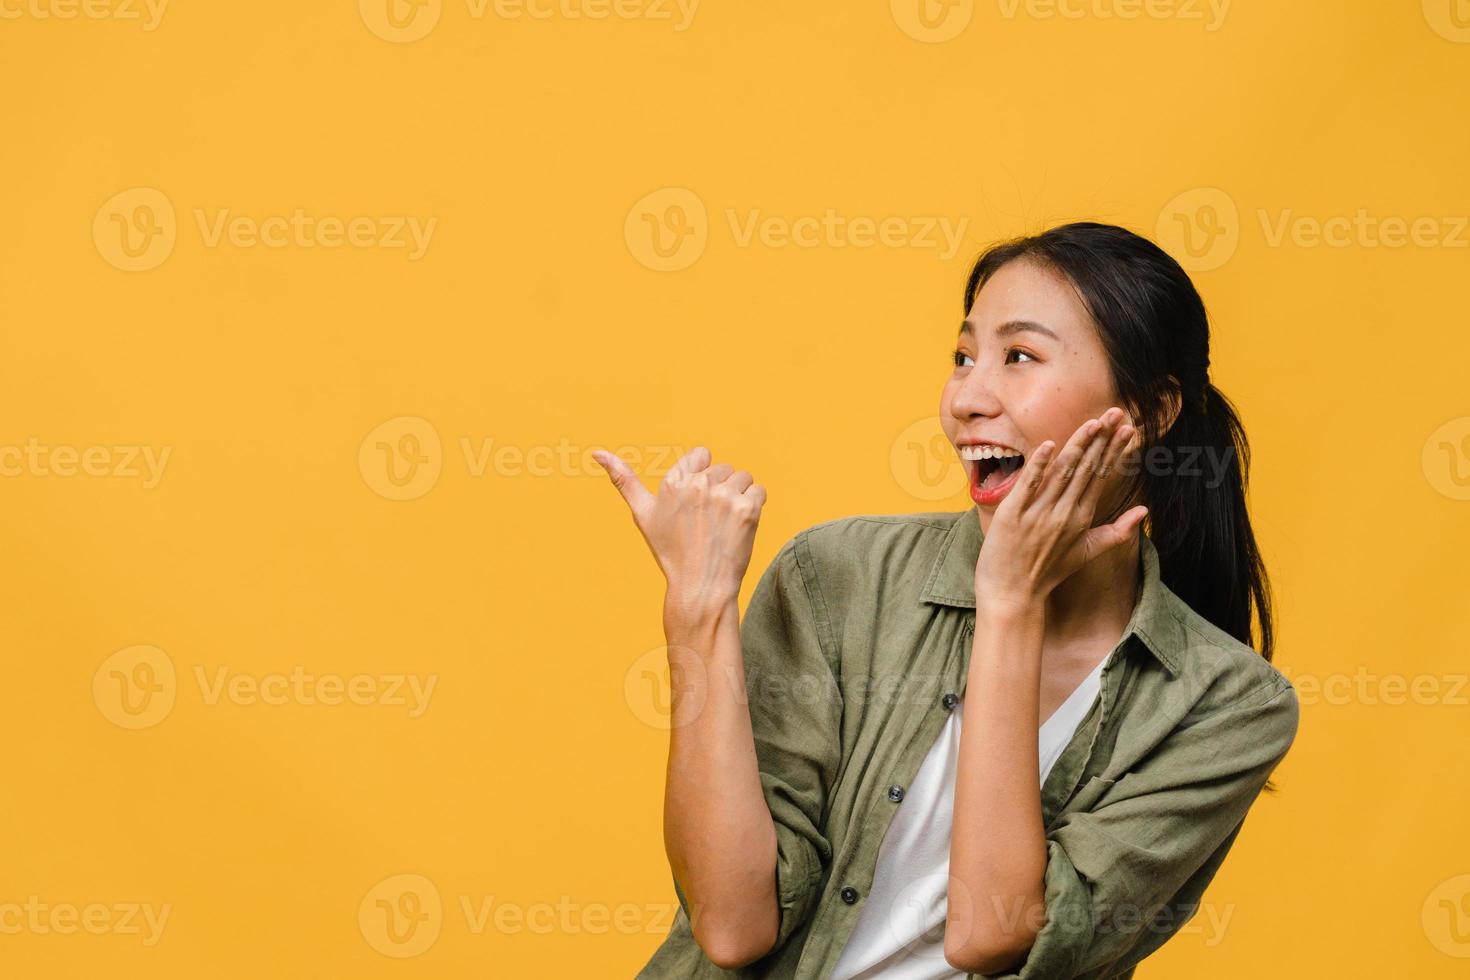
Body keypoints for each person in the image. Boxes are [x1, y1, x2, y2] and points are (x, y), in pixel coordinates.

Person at [593, 221, 1301, 979]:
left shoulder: (1227, 704)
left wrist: (1010, 604)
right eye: (963, 358)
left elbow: (990, 936)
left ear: (1150, 411)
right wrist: (697, 613)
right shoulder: (837, 578)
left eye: (1019, 357)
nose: (966, 398)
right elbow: (733, 927)